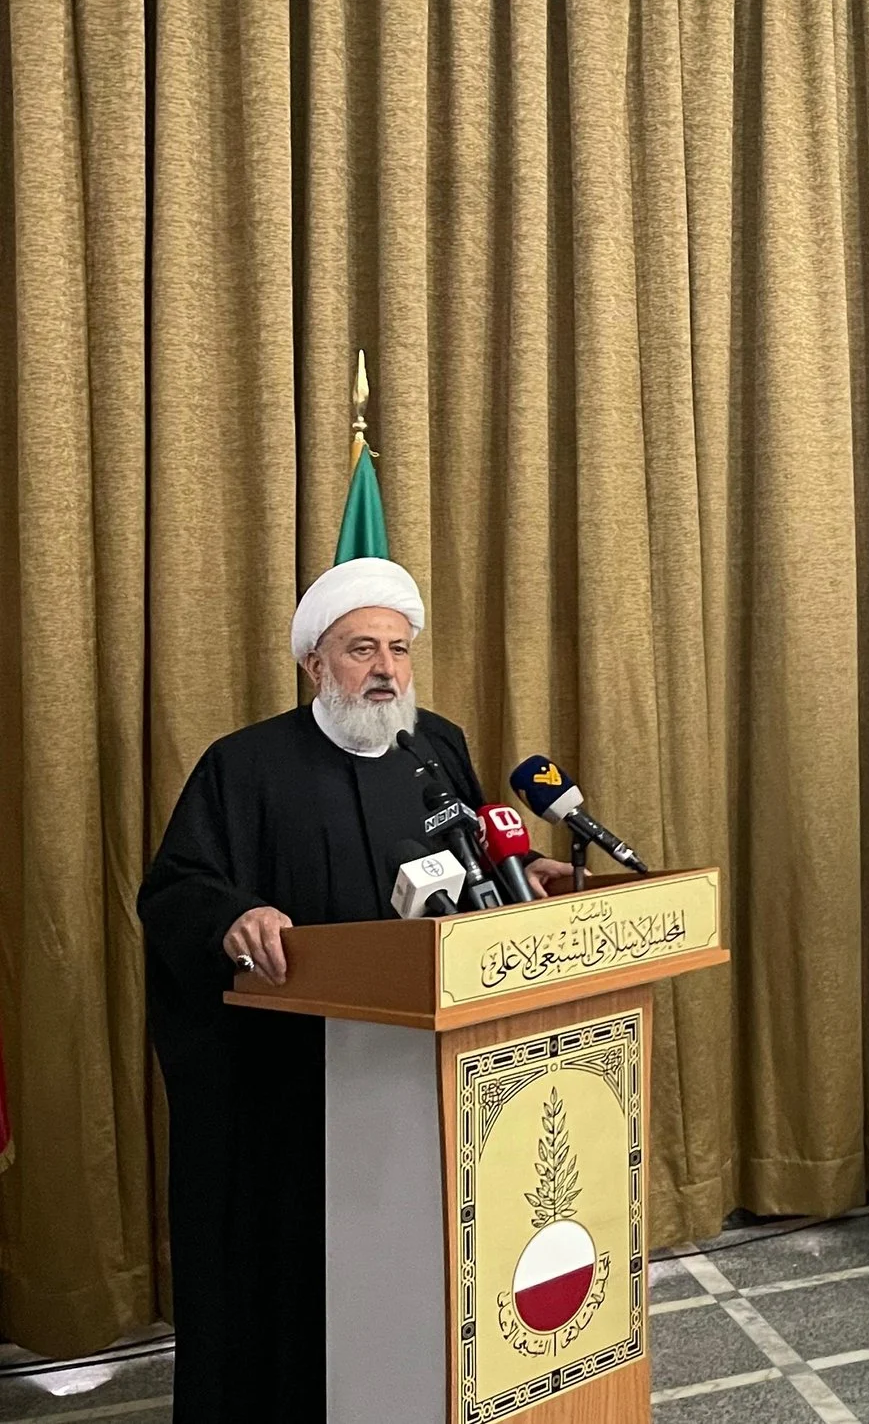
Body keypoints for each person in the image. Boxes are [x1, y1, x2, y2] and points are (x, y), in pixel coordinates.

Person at [138, 558, 569, 1423]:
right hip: (296, 1085)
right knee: (299, 1286)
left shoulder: (434, 747)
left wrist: (524, 876)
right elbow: (176, 888)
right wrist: (234, 914)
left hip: (429, 1072)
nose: (386, 669)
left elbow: (471, 859)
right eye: (361, 649)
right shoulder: (245, 765)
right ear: (316, 665)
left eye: (399, 649)